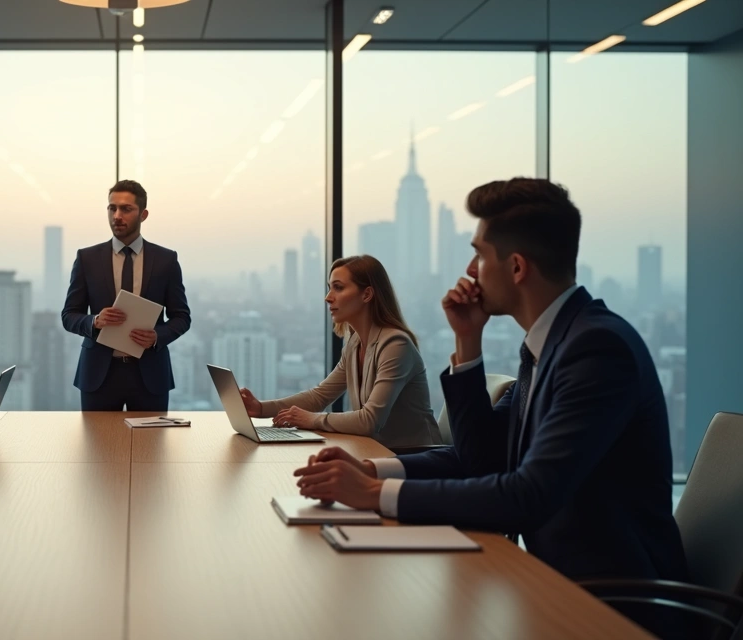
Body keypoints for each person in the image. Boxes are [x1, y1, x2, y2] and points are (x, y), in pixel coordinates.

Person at [293, 178, 688, 585]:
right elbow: (477, 460)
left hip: (614, 603)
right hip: (550, 585)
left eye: (478, 255)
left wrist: (373, 495)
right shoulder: (551, 344)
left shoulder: (597, 350)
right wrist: (371, 470)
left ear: (516, 267)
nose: (468, 270)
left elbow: (529, 495)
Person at [239, 256, 441, 448]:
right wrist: (261, 408)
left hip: (415, 459)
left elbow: (370, 421)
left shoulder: (396, 345)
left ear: (367, 294)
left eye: (338, 288)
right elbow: (319, 397)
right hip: (377, 453)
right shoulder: (354, 344)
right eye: (329, 288)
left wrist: (312, 419)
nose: (328, 297)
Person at [61, 180, 191, 411]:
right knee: (97, 446)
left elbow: (182, 317)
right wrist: (94, 321)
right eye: (112, 208)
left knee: (150, 446)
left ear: (143, 214)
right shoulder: (87, 259)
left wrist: (157, 336)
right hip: (98, 375)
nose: (117, 215)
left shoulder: (166, 260)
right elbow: (69, 315)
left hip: (150, 374)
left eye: (126, 209)